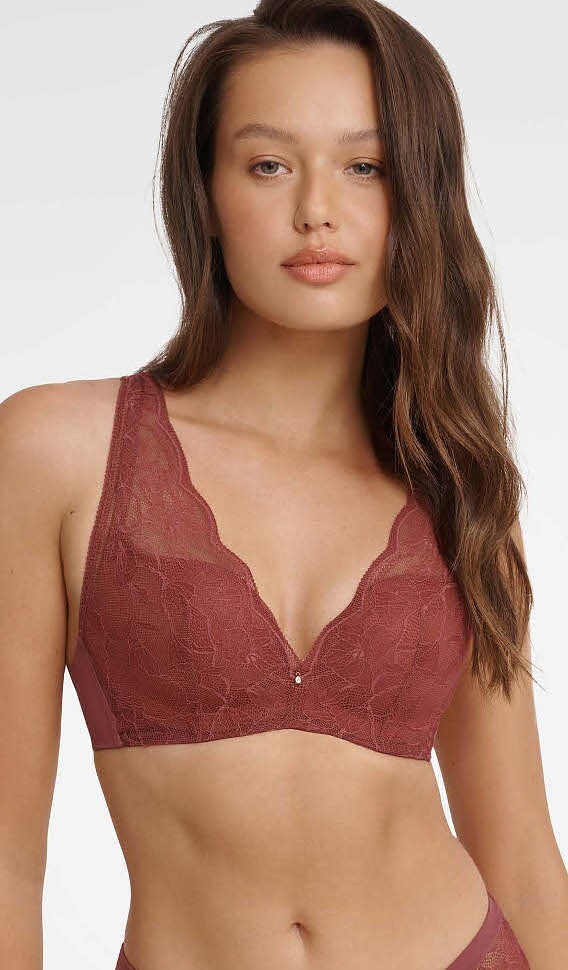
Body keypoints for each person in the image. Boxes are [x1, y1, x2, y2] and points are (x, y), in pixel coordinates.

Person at [1, 1, 566, 967]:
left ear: (419, 195)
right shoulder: (56, 451)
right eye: (269, 164)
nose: (317, 209)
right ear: (205, 191)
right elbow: (9, 861)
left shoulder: (459, 485)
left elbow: (519, 853)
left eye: (366, 167)